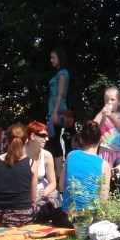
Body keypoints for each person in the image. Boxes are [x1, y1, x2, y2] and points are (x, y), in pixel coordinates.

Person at [0, 124, 70, 227]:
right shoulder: (32, 163)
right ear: (26, 141)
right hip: (23, 217)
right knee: (51, 202)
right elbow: (33, 198)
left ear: (6, 141)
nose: (46, 139)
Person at [62, 121, 111, 213]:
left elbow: (61, 186)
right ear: (101, 140)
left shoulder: (71, 155)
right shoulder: (104, 165)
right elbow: (103, 199)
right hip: (90, 218)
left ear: (80, 139)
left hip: (68, 217)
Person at [47, 48, 70, 179]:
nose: (51, 60)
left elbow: (61, 93)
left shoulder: (62, 73)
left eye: (53, 58)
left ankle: (58, 174)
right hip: (54, 110)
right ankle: (58, 173)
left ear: (59, 58)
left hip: (58, 110)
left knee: (55, 141)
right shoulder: (59, 73)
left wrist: (55, 112)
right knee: (54, 140)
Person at [24, 121, 60, 204]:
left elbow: (52, 183)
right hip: (24, 192)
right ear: (32, 136)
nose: (47, 139)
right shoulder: (20, 153)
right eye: (43, 136)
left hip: (41, 192)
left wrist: (46, 191)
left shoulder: (47, 155)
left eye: (47, 136)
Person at [94, 86, 120, 166]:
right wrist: (101, 113)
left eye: (112, 100)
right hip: (105, 150)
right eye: (107, 100)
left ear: (119, 102)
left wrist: (113, 117)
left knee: (119, 174)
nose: (109, 102)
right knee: (105, 174)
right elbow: (94, 125)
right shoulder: (103, 115)